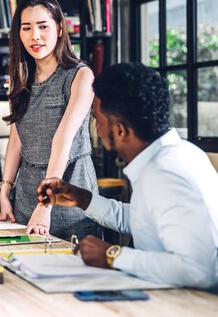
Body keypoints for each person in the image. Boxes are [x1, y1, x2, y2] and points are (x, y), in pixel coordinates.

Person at [37, 62, 218, 289]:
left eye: (97, 120)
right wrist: (83, 199)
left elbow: (200, 271)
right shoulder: (178, 155)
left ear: (120, 130)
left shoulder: (164, 173)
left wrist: (113, 255)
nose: (97, 129)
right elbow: (142, 221)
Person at [0, 0, 99, 241]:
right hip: (27, 200)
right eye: (26, 28)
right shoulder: (20, 79)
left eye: (42, 26)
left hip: (71, 198)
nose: (34, 36)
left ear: (59, 28)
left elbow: (63, 141)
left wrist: (45, 205)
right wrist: (5, 192)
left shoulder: (80, 76)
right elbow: (16, 139)